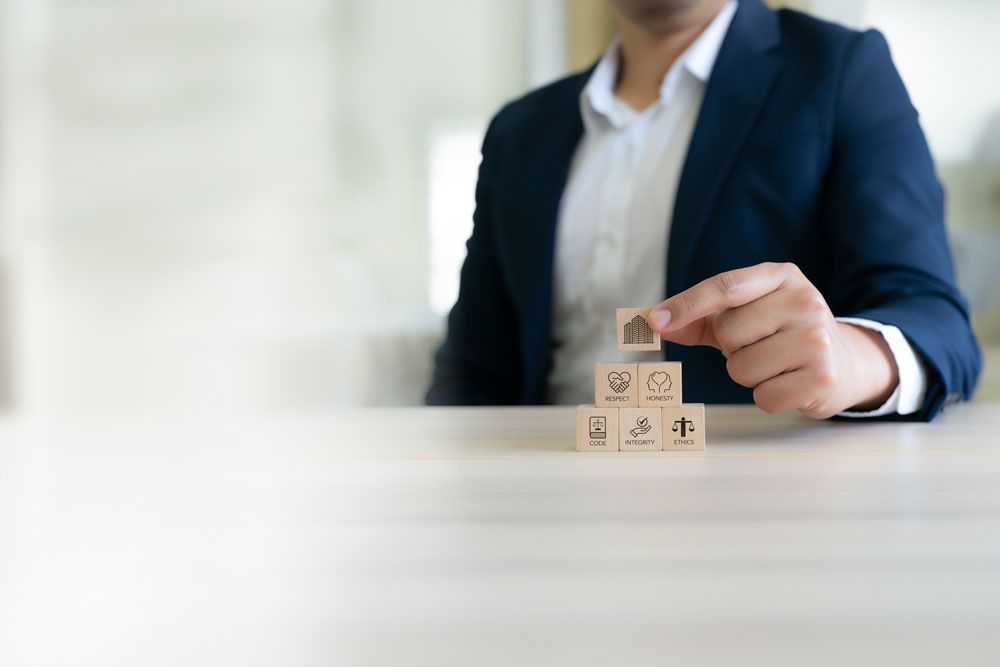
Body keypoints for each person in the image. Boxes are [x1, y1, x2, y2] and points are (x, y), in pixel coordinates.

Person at [426, 0, 981, 421]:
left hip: (757, 502)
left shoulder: (842, 72)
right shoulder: (520, 130)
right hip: (537, 493)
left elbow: (936, 318)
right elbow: (473, 368)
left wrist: (854, 359)